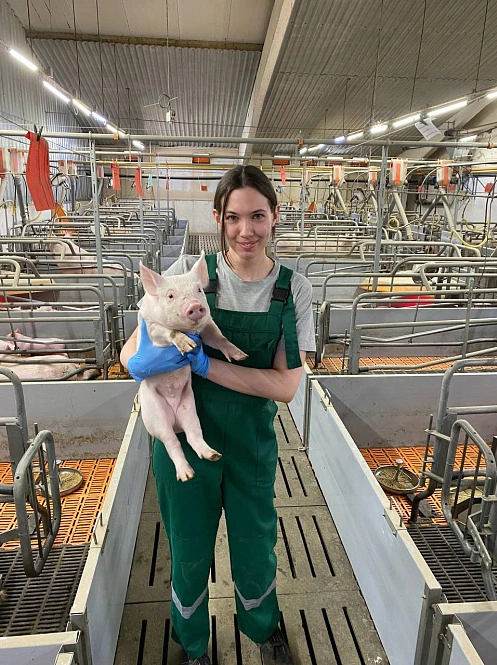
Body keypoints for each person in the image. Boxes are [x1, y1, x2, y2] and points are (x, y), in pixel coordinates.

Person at [120, 165, 315, 665]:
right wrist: (139, 362)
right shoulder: (191, 274)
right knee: (187, 550)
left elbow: (286, 386)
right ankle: (193, 645)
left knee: (255, 546)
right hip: (186, 440)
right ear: (218, 218)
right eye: (233, 217)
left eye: (258, 216)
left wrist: (205, 365)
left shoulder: (292, 290)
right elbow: (131, 350)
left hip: (251, 443)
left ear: (275, 216)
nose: (246, 230)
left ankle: (263, 628)